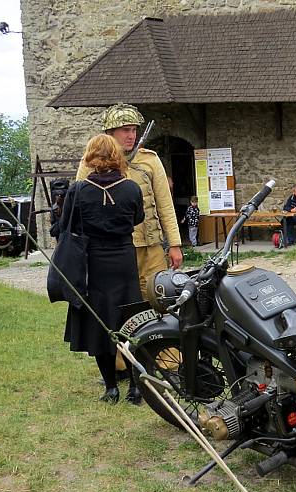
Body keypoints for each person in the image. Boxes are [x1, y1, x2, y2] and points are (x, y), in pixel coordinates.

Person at [62, 135, 145, 404]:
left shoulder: (78, 191)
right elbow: (138, 218)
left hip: (94, 262)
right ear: (117, 156)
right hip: (124, 260)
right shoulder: (131, 188)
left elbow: (67, 226)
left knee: (100, 323)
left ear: (90, 156)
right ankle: (135, 387)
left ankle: (112, 388)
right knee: (130, 321)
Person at [76, 103, 183, 300]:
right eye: (125, 130)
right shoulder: (90, 162)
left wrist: (174, 244)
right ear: (110, 132)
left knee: (158, 299)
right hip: (112, 249)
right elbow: (79, 206)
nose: (131, 135)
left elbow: (165, 205)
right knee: (120, 302)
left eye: (134, 130)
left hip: (151, 247)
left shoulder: (150, 160)